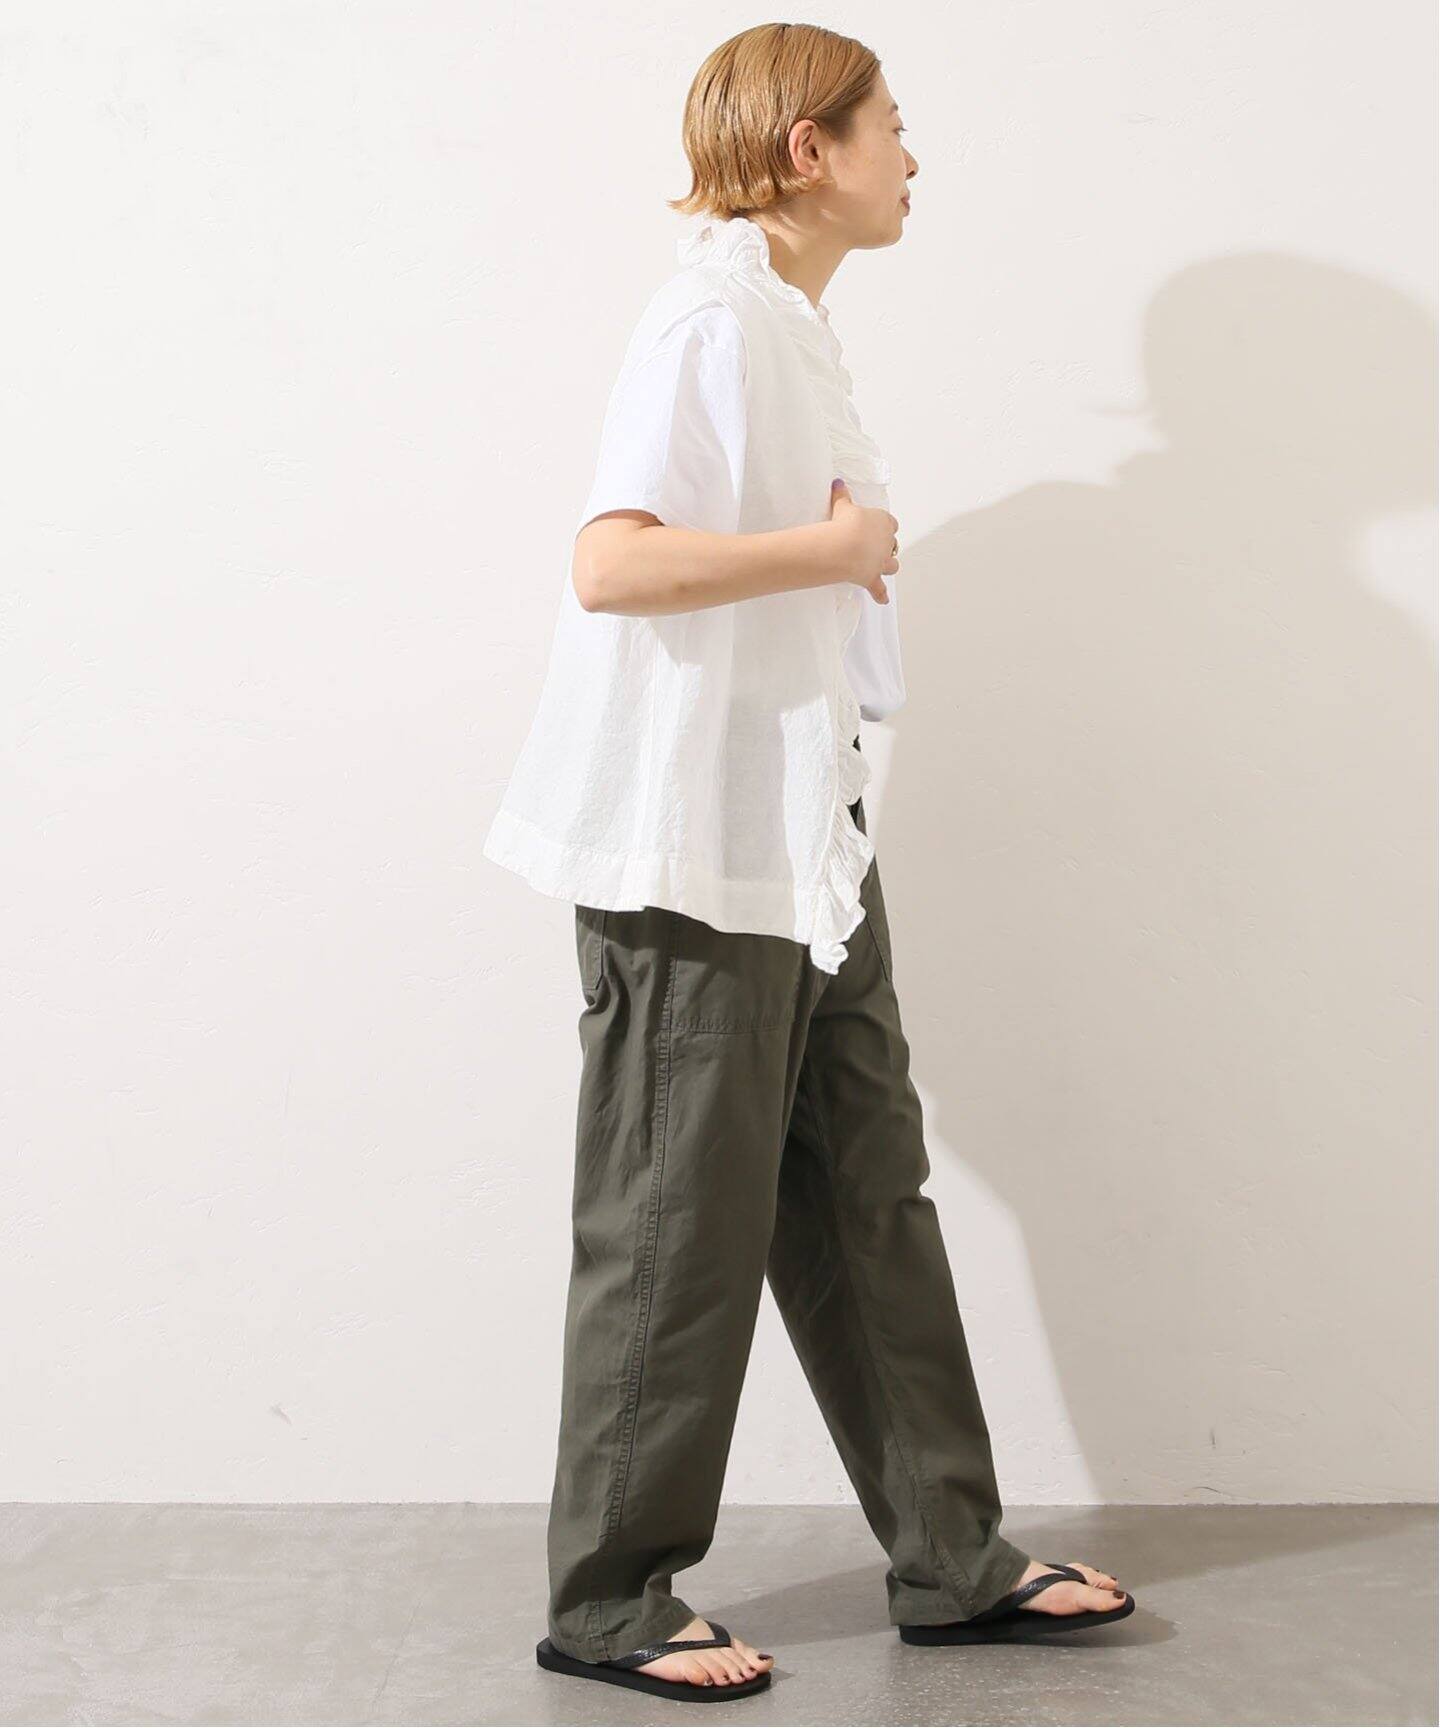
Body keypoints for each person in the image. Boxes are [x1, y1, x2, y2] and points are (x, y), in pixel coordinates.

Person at [483, 21, 1136, 1705]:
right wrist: (833, 549)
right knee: (674, 1218)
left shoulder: (785, 326)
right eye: (890, 127)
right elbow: (612, 565)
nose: (912, 156)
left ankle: (952, 1557)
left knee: (866, 1190)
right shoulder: (710, 322)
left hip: (800, 837)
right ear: (806, 150)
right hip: (692, 848)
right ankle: (609, 1600)